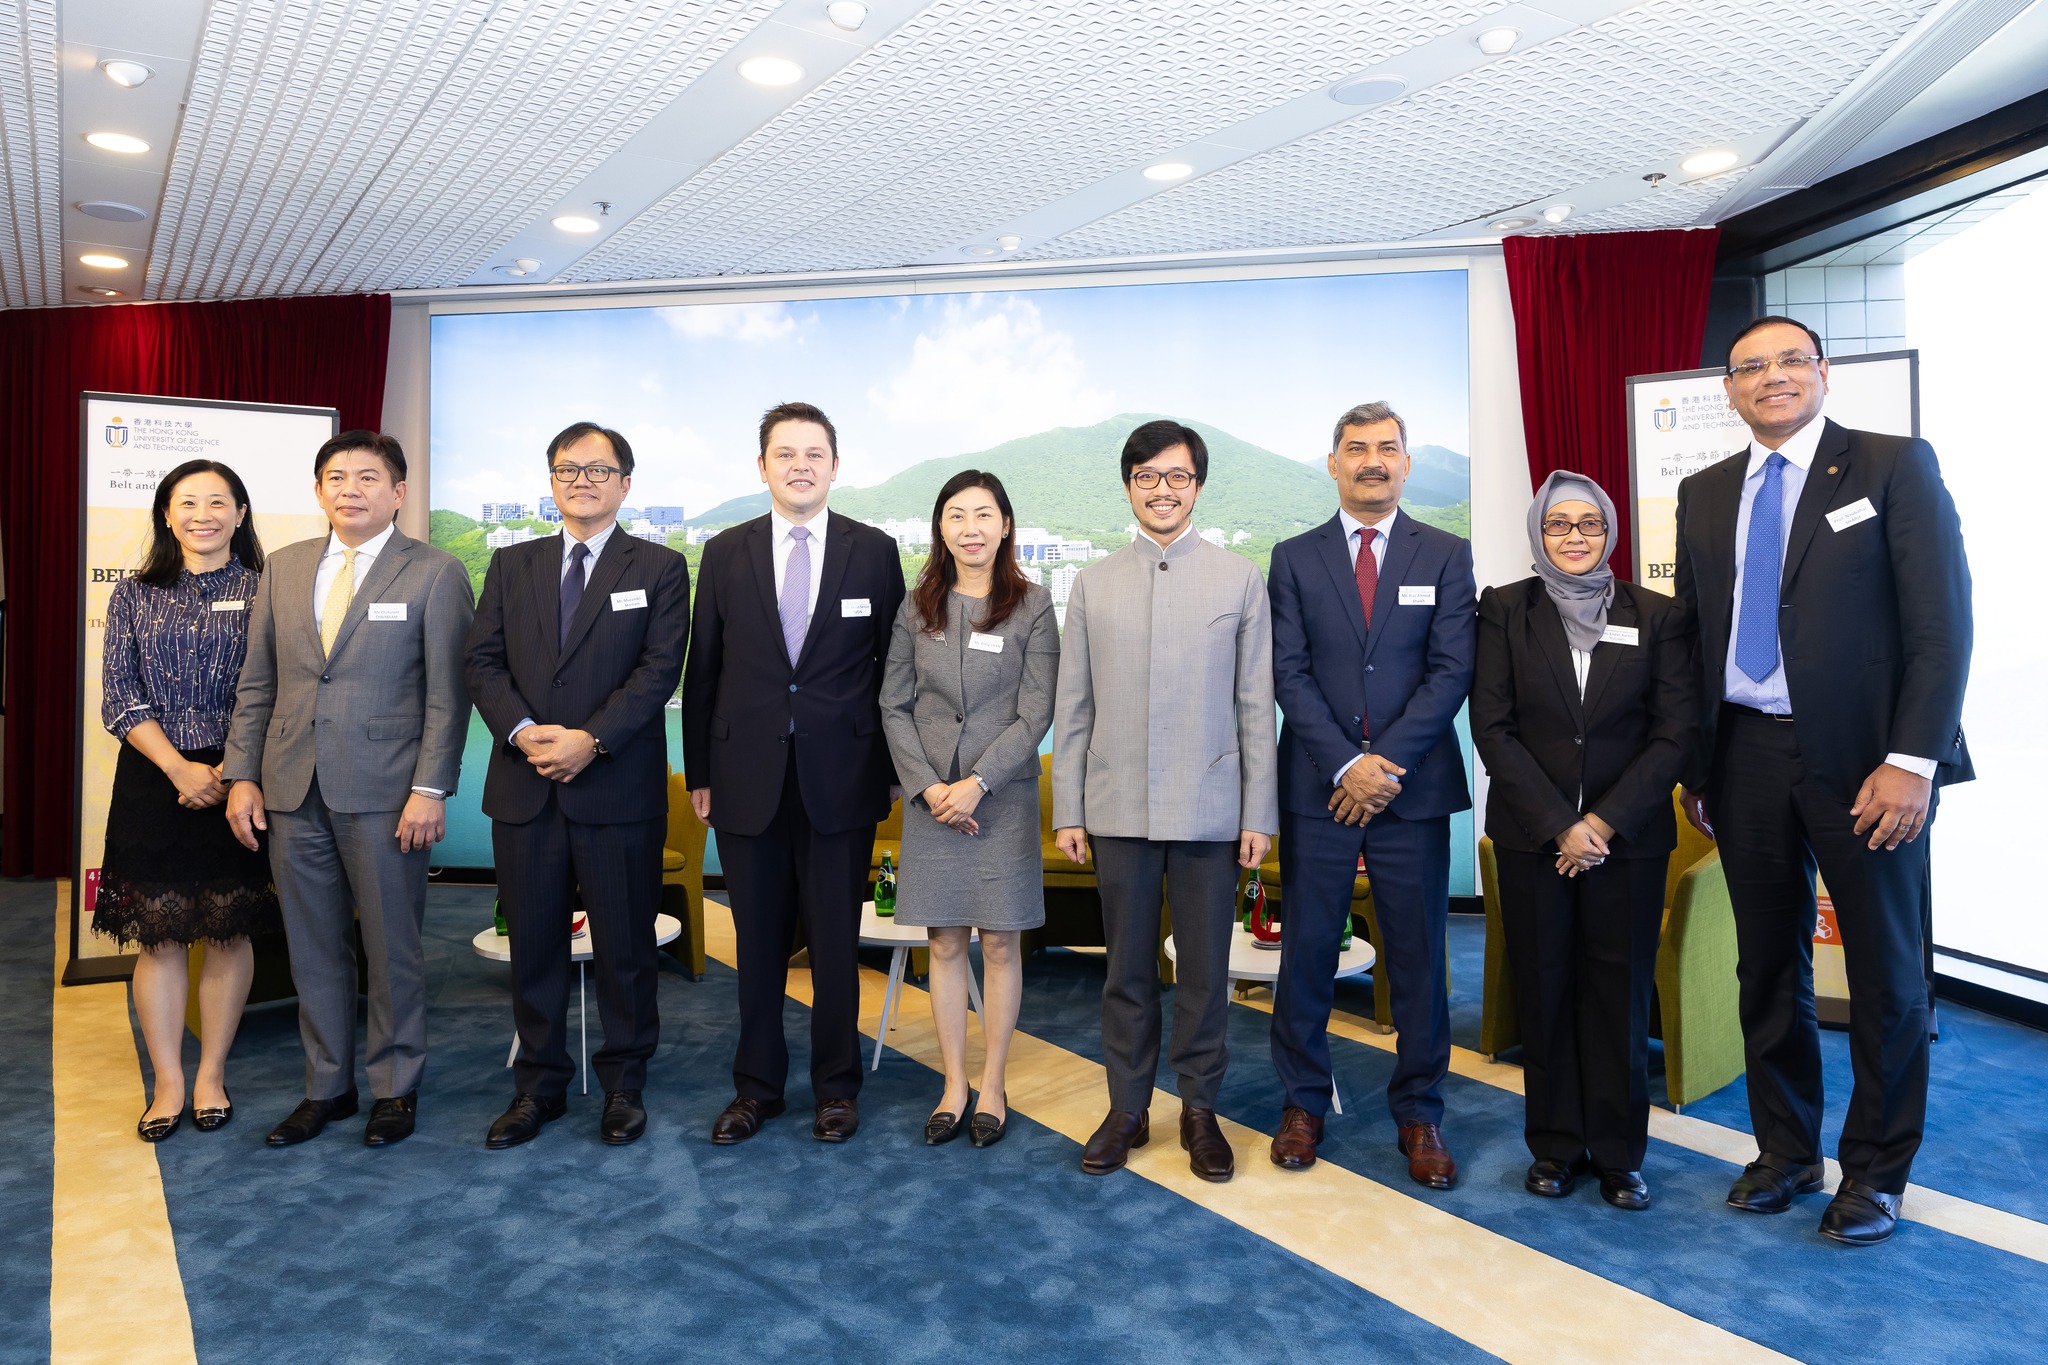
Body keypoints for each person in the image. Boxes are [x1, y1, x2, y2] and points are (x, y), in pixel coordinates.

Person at [1674, 316, 1972, 1245]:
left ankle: (1877, 1173)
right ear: (1729, 389)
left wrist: (1912, 759)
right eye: (1750, 367)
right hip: (1745, 755)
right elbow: (1693, 634)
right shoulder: (1705, 490)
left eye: (1789, 361)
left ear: (1823, 373)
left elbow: (1942, 623)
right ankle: (1786, 1150)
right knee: (1767, 965)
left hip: (1869, 764)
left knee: (1887, 973)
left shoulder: (1892, 466)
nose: (1771, 378)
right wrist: (1697, 765)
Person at [224, 431, 474, 1148]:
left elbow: (446, 696)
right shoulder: (283, 567)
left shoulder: (434, 571)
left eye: (368, 477)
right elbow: (259, 682)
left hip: (389, 794)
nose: (350, 489)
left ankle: (396, 1087)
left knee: (392, 947)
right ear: (318, 490)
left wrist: (430, 787)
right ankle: (327, 1086)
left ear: (398, 492)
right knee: (312, 946)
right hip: (290, 785)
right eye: (336, 477)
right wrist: (243, 774)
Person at [1052, 418, 1277, 1183]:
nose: (1162, 489)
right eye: (1147, 476)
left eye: (1177, 476)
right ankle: (1127, 1108)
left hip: (1212, 811)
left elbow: (1256, 707)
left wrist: (1258, 814)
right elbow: (1073, 705)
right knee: (1126, 971)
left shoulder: (1239, 578)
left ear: (1198, 486)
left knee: (1207, 972)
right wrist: (1069, 807)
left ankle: (1201, 1111)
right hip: (1116, 808)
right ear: (1128, 486)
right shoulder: (1093, 582)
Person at [681, 401, 906, 1145]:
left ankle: (836, 1089)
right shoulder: (724, 552)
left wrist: (895, 770)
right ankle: (757, 1087)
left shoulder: (872, 552)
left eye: (815, 453)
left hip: (842, 776)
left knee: (839, 944)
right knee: (758, 944)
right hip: (746, 777)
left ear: (835, 466)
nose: (800, 465)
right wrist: (700, 772)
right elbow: (703, 670)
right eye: (785, 453)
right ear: (763, 466)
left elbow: (894, 672)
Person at [1264, 402, 1477, 1185]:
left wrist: (1381, 764)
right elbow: (1288, 671)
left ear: (1408, 463)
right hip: (1319, 791)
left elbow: (1452, 670)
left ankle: (1420, 1114)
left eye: (1387, 448)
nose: (1373, 461)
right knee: (1308, 952)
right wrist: (1341, 765)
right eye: (1357, 449)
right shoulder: (1293, 556)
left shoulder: (1447, 553)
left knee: (1418, 956)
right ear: (1333, 463)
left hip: (1409, 791)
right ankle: (1303, 1104)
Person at [1471, 471, 1695, 1209]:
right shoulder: (1505, 608)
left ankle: (1622, 1153)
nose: (1574, 536)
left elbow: (1673, 732)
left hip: (1625, 843)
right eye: (1559, 523)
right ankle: (1557, 1146)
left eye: (1589, 523)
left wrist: (1598, 823)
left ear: (1610, 531)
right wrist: (1559, 823)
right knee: (1546, 993)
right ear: (1538, 530)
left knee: (1618, 997)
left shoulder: (1655, 614)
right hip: (1535, 841)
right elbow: (1493, 728)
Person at [464, 422, 689, 1149]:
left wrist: (590, 739)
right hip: (526, 782)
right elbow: (483, 663)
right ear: (551, 481)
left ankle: (625, 1084)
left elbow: (659, 671)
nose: (582, 480)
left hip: (615, 786)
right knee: (534, 946)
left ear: (626, 482)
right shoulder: (513, 564)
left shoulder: (658, 566)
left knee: (625, 946)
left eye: (598, 469)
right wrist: (526, 730)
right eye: (568, 468)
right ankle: (538, 1086)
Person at [98, 461, 284, 1142]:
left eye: (217, 501)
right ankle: (169, 1081)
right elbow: (119, 694)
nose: (202, 513)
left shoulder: (270, 590)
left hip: (243, 780)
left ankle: (211, 1073)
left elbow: (272, 693)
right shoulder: (134, 593)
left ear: (240, 512)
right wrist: (179, 766)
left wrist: (234, 771)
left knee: (229, 930)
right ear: (166, 514)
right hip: (155, 776)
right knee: (163, 936)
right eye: (187, 502)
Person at [879, 471, 1058, 1148]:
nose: (972, 527)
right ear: (941, 527)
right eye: (958, 515)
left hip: (1000, 796)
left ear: (1006, 525)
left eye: (985, 514)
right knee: (946, 941)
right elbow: (892, 703)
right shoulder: (915, 604)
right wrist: (928, 787)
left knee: (1001, 940)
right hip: (931, 801)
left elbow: (1036, 708)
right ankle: (952, 1084)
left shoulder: (1034, 604)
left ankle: (992, 1083)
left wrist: (978, 780)